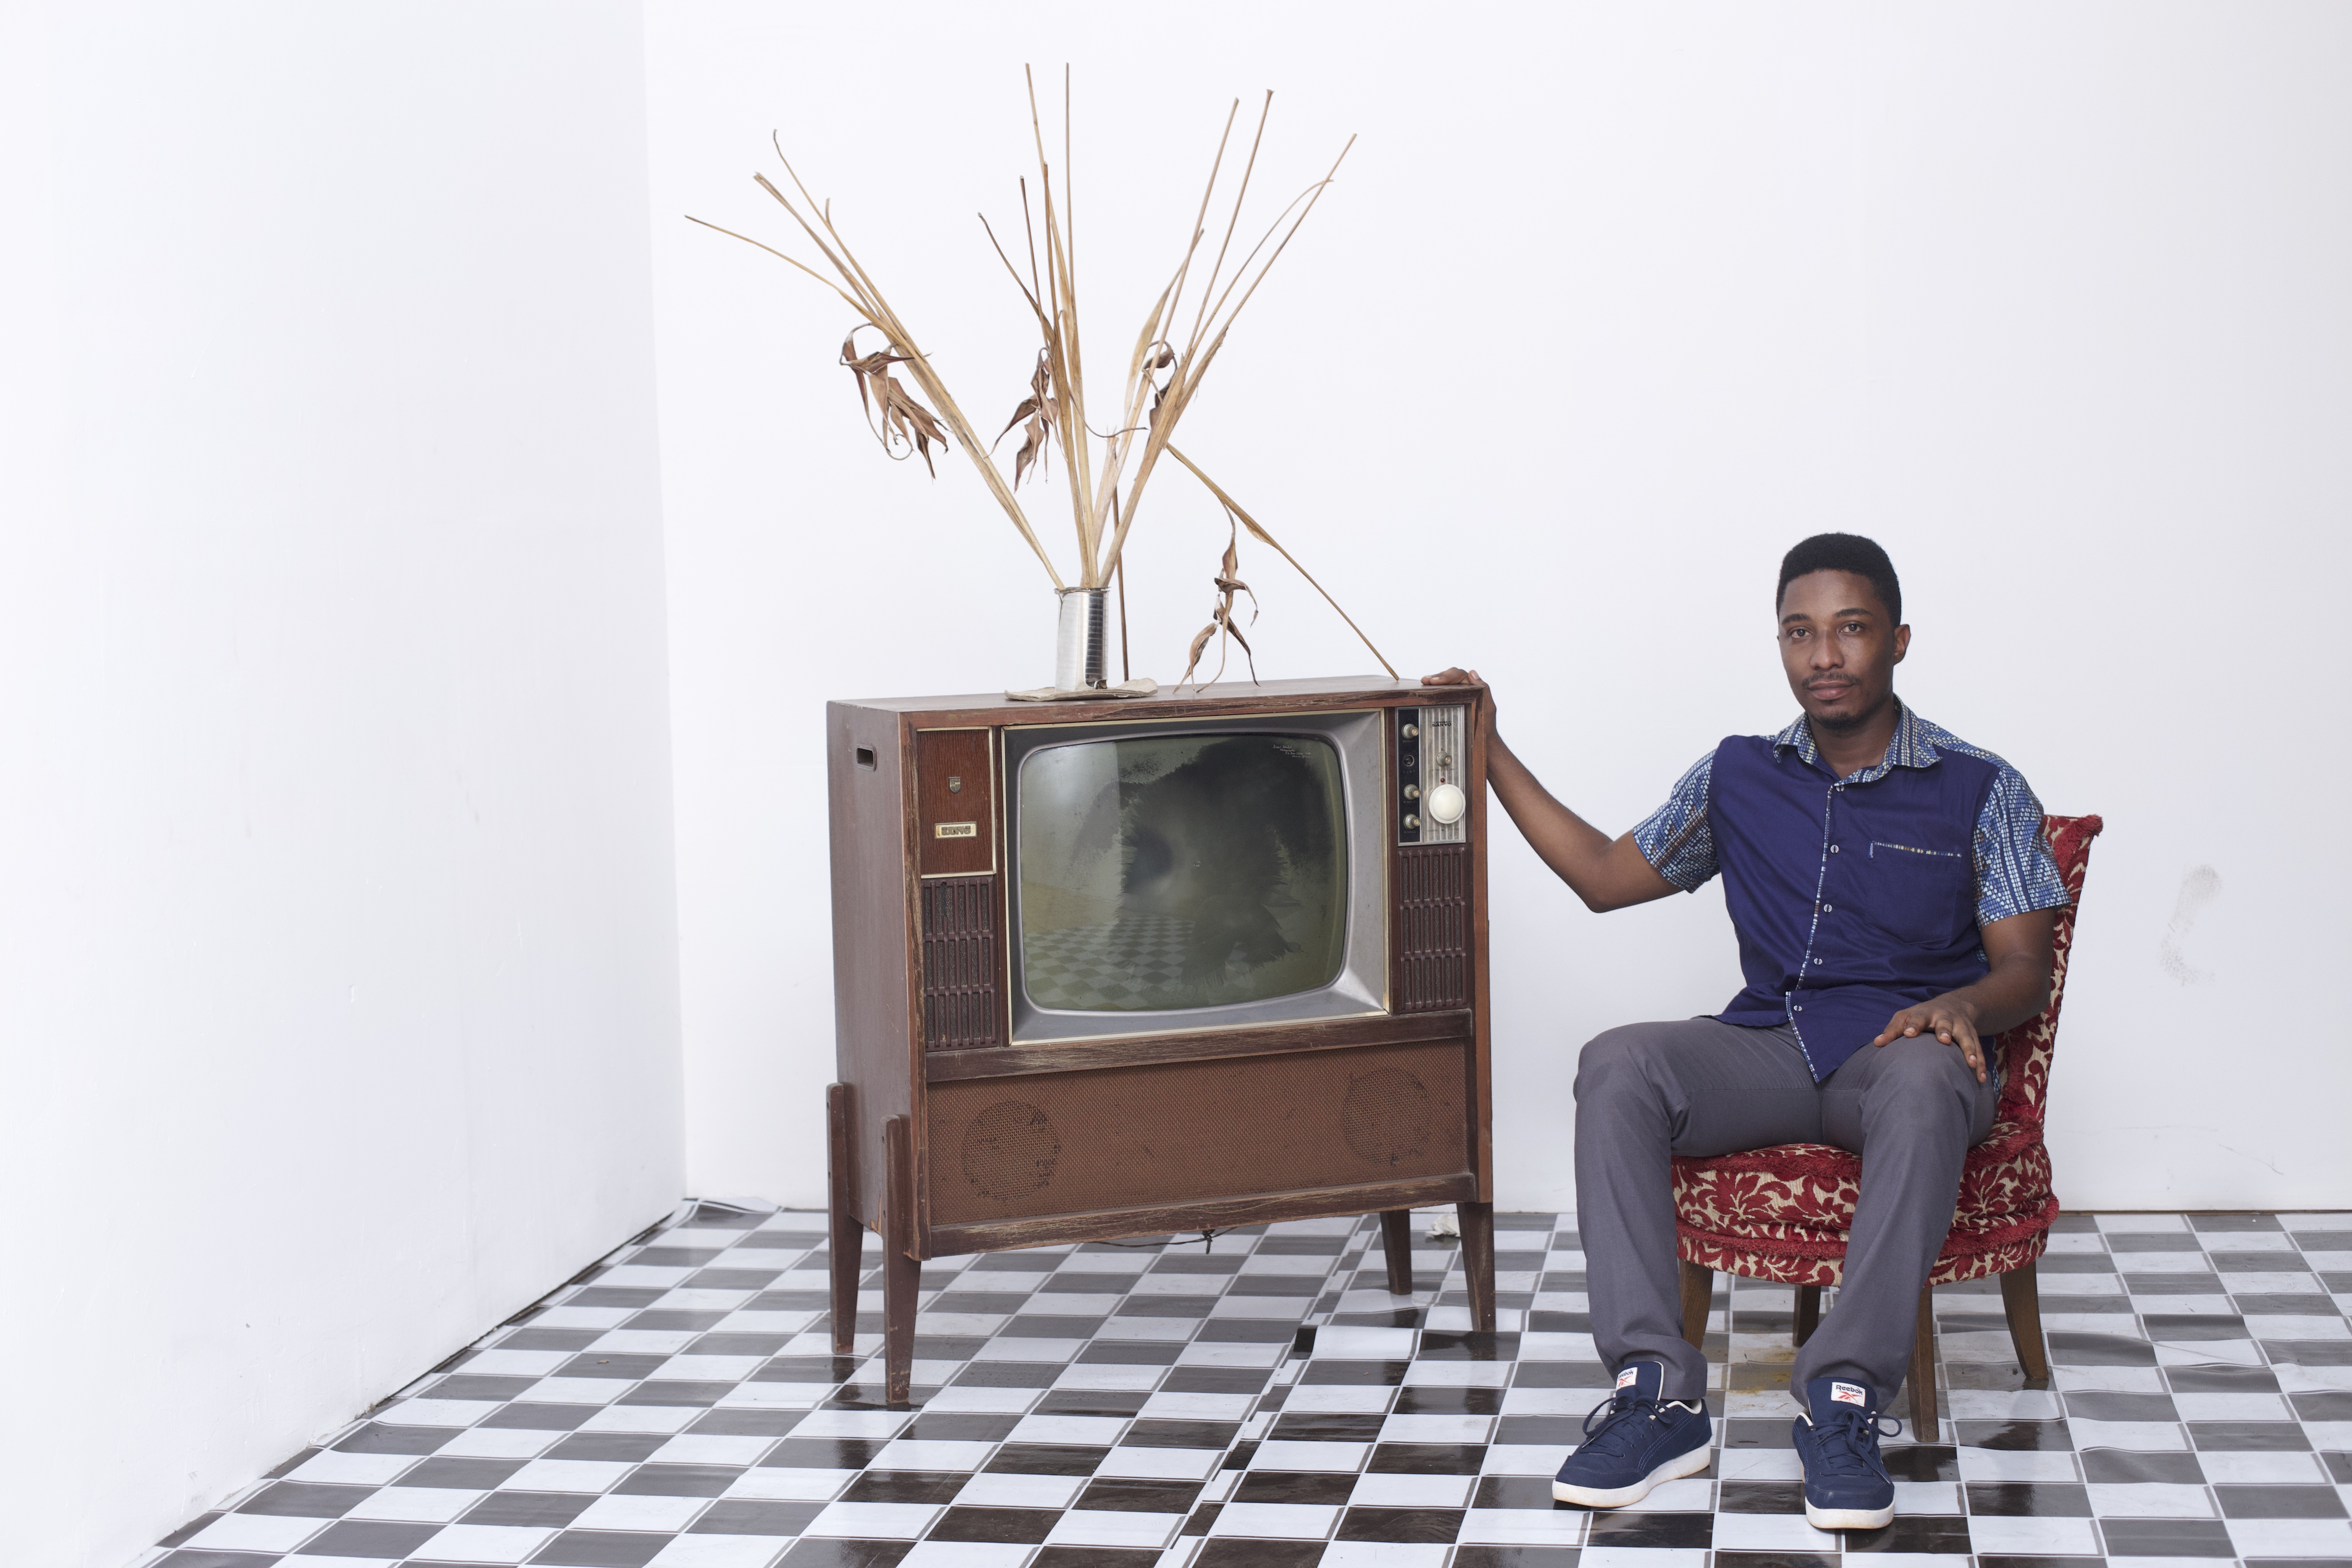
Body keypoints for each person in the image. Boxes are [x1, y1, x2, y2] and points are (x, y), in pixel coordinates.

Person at [1424, 533, 2068, 1531]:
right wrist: (1486, 743)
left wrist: (1964, 1009)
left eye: (1850, 630)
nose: (1824, 656)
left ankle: (1844, 1400)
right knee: (1621, 1062)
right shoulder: (1738, 774)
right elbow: (1601, 876)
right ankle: (1659, 1394)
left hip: (1902, 1056)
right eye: (1800, 633)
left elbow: (2024, 964)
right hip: (1772, 1044)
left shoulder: (1981, 787)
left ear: (1897, 641)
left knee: (1928, 1078)